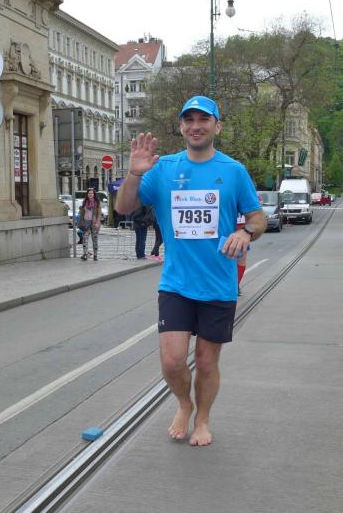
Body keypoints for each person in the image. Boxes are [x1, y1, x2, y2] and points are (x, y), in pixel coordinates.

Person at [114, 95, 266, 447]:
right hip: (176, 283)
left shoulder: (234, 171)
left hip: (218, 284)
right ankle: (184, 403)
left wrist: (245, 232)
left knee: (206, 363)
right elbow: (123, 207)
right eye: (189, 120)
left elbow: (258, 218)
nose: (196, 126)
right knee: (171, 362)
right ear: (181, 127)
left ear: (217, 126)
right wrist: (134, 173)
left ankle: (203, 418)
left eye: (204, 119)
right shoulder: (164, 169)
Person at [76, 188, 101, 261]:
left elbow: (99, 213)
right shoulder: (84, 202)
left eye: (92, 193)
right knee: (85, 239)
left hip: (94, 223)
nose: (90, 194)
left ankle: (95, 255)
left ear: (94, 194)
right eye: (89, 193)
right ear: (87, 194)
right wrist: (81, 216)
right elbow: (81, 213)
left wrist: (97, 222)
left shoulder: (97, 203)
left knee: (95, 240)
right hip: (86, 223)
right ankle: (85, 254)